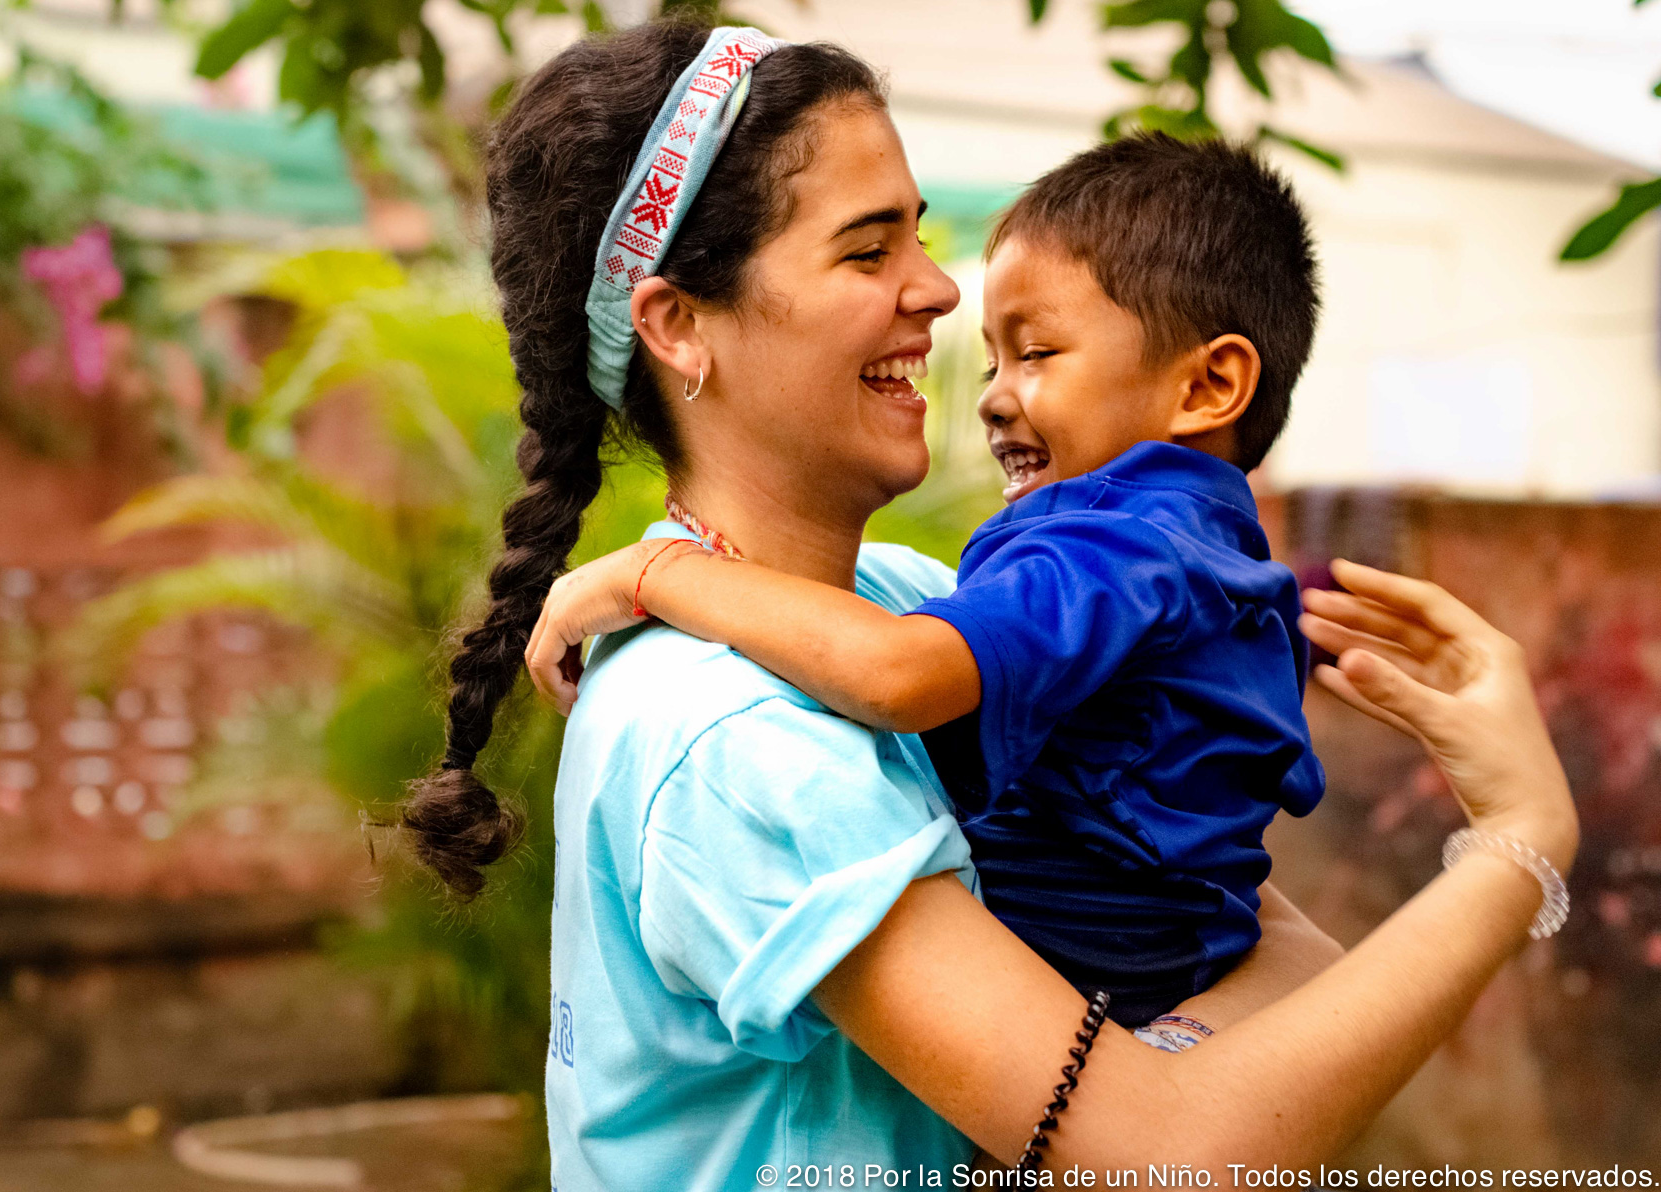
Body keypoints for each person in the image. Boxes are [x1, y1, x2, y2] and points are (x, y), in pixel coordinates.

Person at [399, 20, 1578, 1189]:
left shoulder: (906, 600)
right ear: (678, 327)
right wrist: (1519, 845)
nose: (939, 289)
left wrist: (1193, 1069)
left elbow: (1250, 938)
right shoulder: (736, 737)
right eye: (868, 253)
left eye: (918, 237)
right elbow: (1176, 1151)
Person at [525, 134, 1329, 1035]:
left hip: (1099, 992)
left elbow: (898, 675)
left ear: (1211, 383)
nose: (992, 394)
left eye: (1037, 355)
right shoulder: (1201, 549)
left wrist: (655, 571)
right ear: (678, 326)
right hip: (1162, 972)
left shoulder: (1117, 549)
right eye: (996, 362)